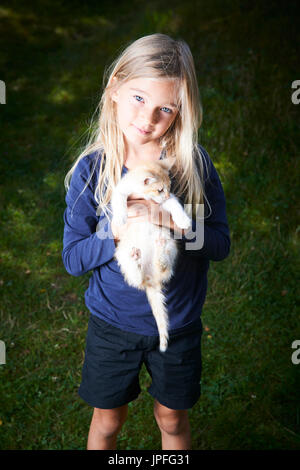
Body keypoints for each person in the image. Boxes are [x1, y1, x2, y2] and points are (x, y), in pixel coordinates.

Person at [62, 33, 230, 450]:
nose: (148, 118)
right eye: (138, 98)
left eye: (165, 108)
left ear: (180, 111)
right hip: (111, 323)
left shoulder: (194, 168)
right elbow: (72, 258)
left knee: (172, 419)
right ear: (115, 88)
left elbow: (221, 244)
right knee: (107, 420)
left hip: (179, 320)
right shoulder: (92, 171)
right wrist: (116, 230)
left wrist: (176, 225)